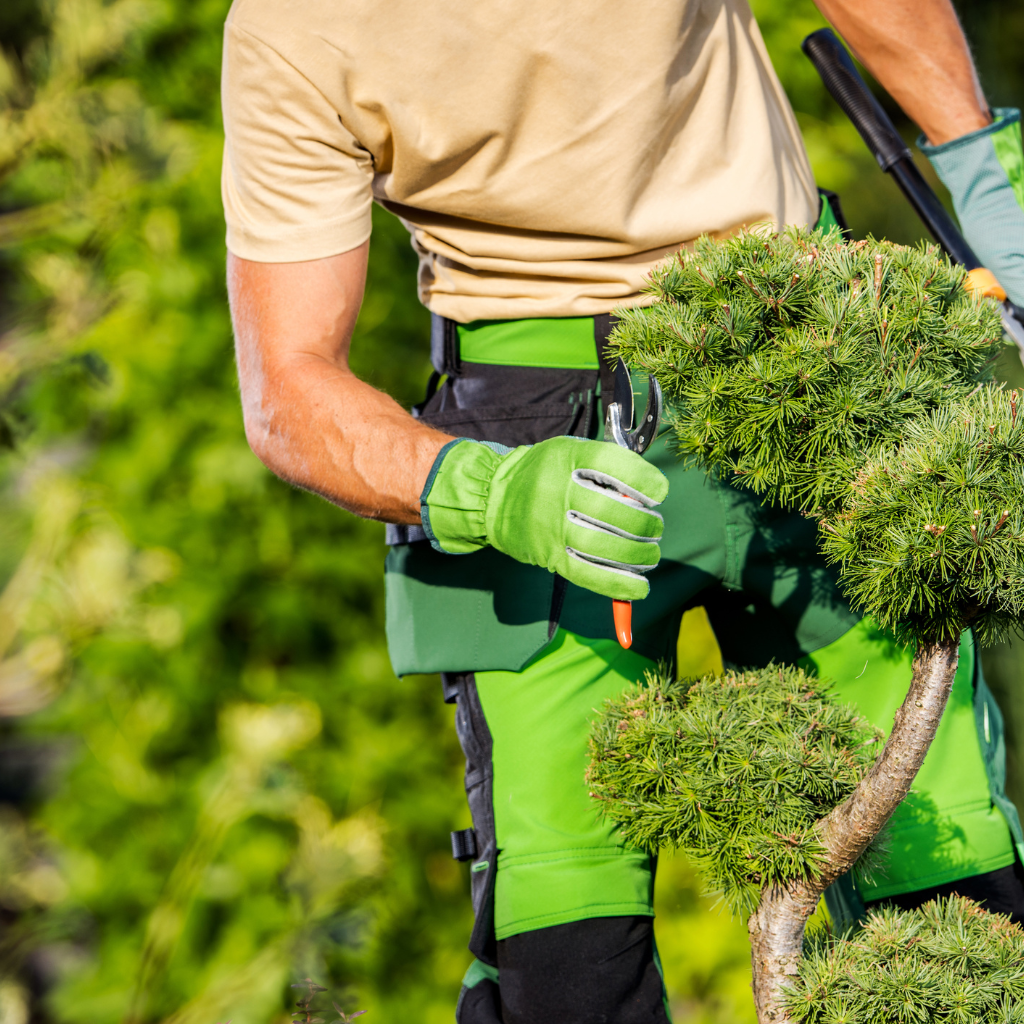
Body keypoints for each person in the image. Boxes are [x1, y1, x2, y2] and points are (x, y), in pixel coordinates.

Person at [220, 0, 1024, 1020]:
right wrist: (483, 489)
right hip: (531, 423)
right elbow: (286, 387)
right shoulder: (289, 28)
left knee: (943, 873)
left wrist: (973, 153)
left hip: (802, 349)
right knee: (564, 947)